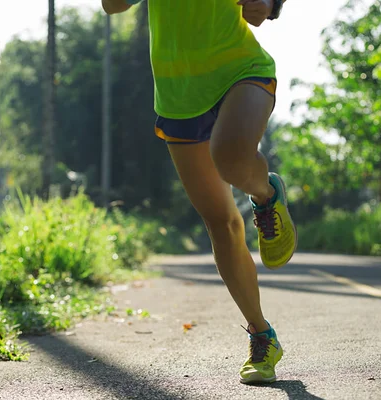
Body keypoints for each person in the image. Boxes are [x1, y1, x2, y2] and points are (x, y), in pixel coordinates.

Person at [102, 0, 297, 384]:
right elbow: (112, 5)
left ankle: (265, 194)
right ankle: (262, 335)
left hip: (241, 69)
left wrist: (271, 3)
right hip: (179, 94)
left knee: (229, 156)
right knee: (221, 224)